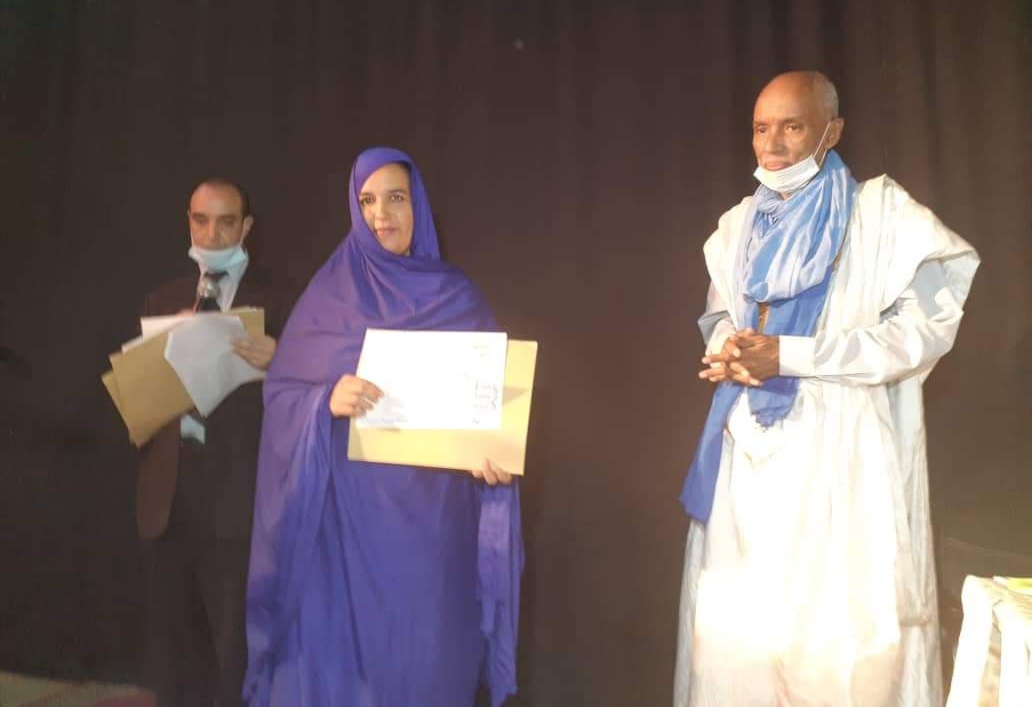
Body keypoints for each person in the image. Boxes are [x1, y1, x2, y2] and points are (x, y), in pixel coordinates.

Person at [674, 71, 979, 706]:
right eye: (761, 128)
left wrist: (790, 355)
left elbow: (918, 336)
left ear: (831, 132)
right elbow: (720, 314)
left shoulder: (881, 217)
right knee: (740, 648)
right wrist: (730, 348)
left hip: (841, 458)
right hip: (749, 459)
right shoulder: (737, 226)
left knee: (836, 650)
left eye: (792, 126)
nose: (773, 144)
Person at [243, 147, 523, 707]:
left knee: (424, 672)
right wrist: (324, 401)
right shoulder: (328, 297)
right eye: (367, 200)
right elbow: (283, 397)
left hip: (431, 536)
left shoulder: (457, 297)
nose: (381, 214)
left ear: (417, 205)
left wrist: (494, 464)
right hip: (341, 538)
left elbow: (493, 415)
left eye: (396, 198)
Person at [137, 178, 290, 707]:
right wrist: (157, 359)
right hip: (168, 493)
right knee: (175, 648)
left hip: (236, 492)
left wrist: (282, 359)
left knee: (233, 648)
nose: (212, 233)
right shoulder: (163, 299)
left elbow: (308, 395)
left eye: (226, 222)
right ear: (188, 221)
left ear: (246, 227)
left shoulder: (279, 302)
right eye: (201, 220)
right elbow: (140, 406)